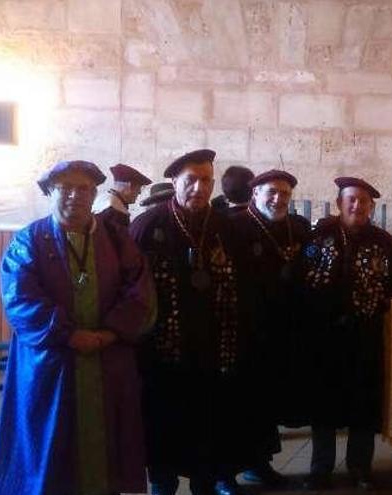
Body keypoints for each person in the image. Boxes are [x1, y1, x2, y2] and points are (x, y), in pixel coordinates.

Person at [0, 160, 153, 495]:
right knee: (49, 447)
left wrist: (110, 331)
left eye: (83, 188)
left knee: (106, 452)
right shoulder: (29, 241)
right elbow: (20, 298)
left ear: (95, 194)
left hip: (107, 360)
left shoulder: (117, 239)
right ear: (50, 191)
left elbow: (140, 291)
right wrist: (68, 334)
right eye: (65, 187)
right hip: (52, 364)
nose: (75, 196)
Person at [130, 149, 254, 495]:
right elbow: (129, 292)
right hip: (163, 358)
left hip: (214, 356)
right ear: (174, 181)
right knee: (164, 437)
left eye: (206, 181)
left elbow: (244, 288)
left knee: (208, 437)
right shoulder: (148, 226)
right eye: (191, 180)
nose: (199, 188)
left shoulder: (225, 228)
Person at [302, 177, 392, 490]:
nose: (357, 206)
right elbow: (302, 280)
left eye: (363, 201)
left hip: (365, 338)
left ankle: (360, 467)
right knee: (323, 408)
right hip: (325, 339)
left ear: (371, 207)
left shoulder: (383, 242)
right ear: (339, 203)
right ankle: (321, 469)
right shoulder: (319, 237)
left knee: (363, 405)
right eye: (351, 200)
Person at [230, 169, 311, 487]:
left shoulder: (297, 229)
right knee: (238, 405)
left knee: (265, 405)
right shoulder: (234, 227)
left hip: (279, 333)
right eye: (272, 192)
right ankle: (227, 473)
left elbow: (310, 262)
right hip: (242, 331)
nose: (278, 199)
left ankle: (259, 465)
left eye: (285, 194)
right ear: (255, 193)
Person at [94, 163, 152, 227]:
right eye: (139, 188)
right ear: (130, 186)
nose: (139, 193)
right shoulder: (117, 212)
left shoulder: (102, 199)